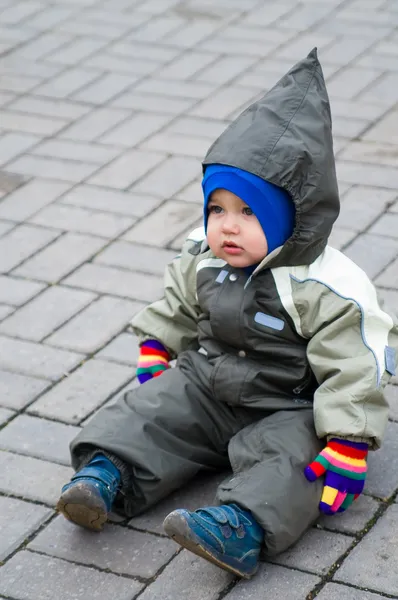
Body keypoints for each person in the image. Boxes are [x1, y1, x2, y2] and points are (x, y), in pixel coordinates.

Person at [56, 49, 398, 580]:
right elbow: (176, 303)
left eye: (248, 212)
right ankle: (109, 475)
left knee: (294, 465)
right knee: (152, 408)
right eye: (217, 209)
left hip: (288, 405)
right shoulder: (202, 255)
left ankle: (239, 526)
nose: (227, 227)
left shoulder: (326, 287)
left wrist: (349, 439)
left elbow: (356, 363)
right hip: (209, 384)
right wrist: (157, 348)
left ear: (294, 220)